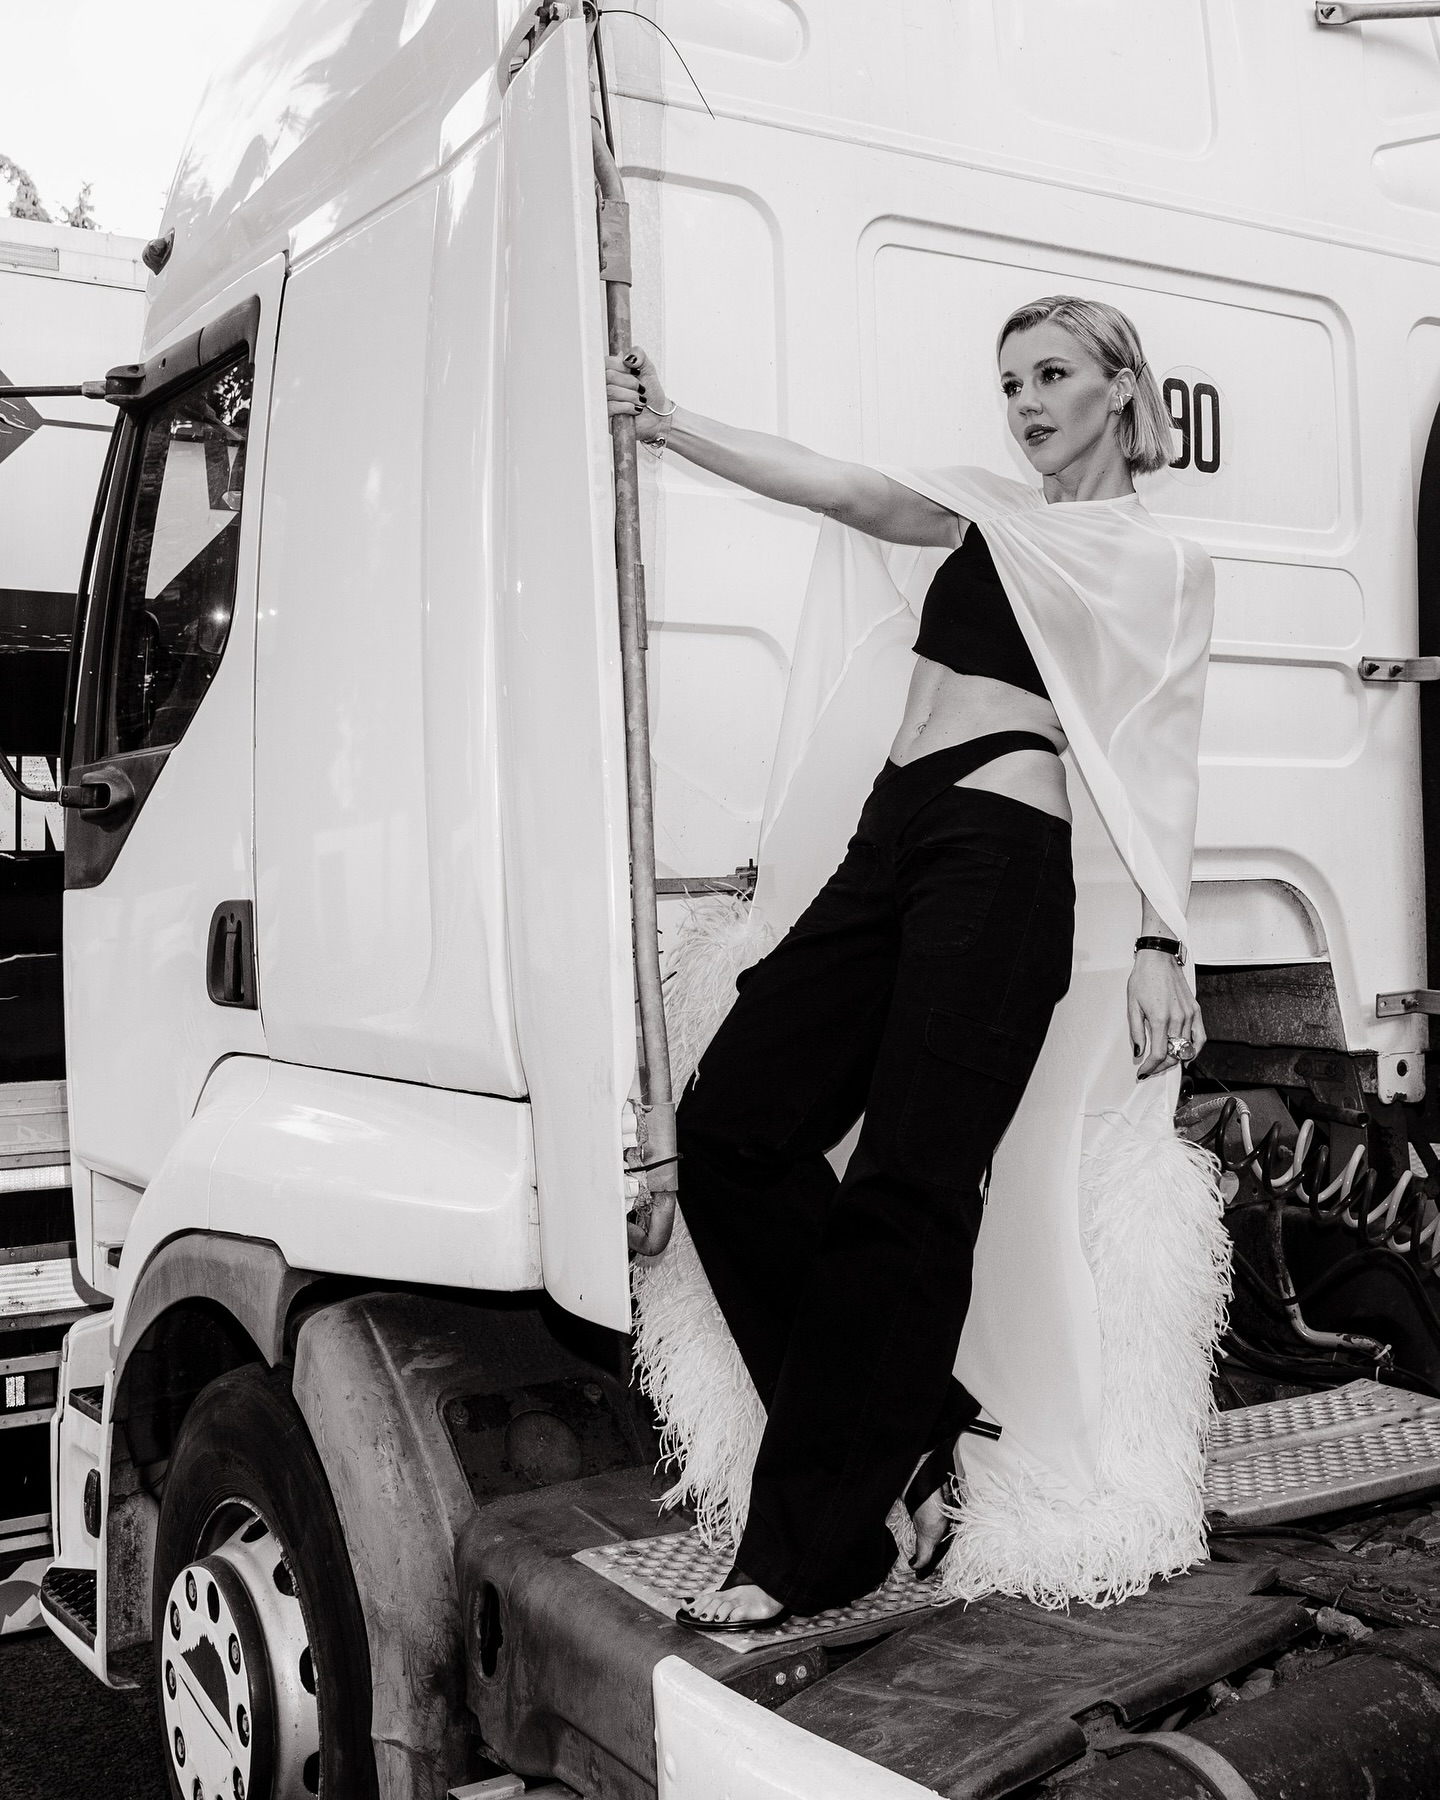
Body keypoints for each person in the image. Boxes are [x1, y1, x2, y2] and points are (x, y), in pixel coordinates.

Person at [610, 296, 1218, 1629]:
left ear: (1122, 387)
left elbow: (1162, 754)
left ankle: (811, 1548)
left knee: (907, 1188)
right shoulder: (992, 515)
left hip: (1000, 855)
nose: (1026, 404)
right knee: (733, 1129)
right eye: (1010, 384)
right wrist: (671, 424)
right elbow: (842, 488)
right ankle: (917, 1425)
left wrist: (1163, 939)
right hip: (892, 833)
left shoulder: (1156, 562)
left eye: (1052, 375)